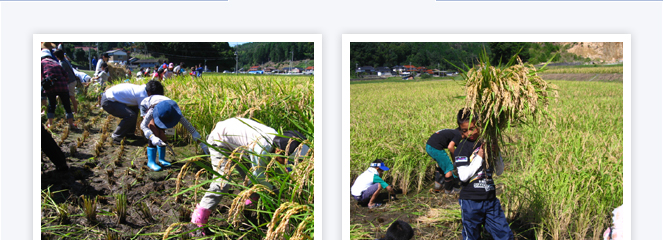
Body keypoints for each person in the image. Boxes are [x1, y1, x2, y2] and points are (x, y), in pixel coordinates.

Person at [190, 118, 310, 235]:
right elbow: (259, 178)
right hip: (220, 140)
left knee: (250, 181)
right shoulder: (261, 148)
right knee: (222, 183)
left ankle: (248, 211)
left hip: (238, 144)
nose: (285, 164)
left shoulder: (278, 140)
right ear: (279, 151)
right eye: (286, 161)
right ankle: (198, 221)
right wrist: (277, 192)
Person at [454, 111, 512, 240]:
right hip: (471, 201)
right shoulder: (462, 148)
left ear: (480, 125)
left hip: (490, 199)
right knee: (472, 237)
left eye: (473, 128)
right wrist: (479, 156)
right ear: (461, 130)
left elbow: (499, 171)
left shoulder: (487, 143)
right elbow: (463, 176)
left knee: (504, 235)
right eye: (465, 130)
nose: (470, 133)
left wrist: (496, 154)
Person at [138, 84, 209, 171]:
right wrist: (152, 137)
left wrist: (203, 144)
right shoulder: (152, 110)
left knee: (162, 135)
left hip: (162, 105)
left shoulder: (174, 111)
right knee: (154, 130)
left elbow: (191, 129)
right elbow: (143, 126)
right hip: (146, 105)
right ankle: (151, 162)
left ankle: (162, 159)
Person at [41, 50, 75, 129]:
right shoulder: (56, 62)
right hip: (63, 86)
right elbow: (66, 75)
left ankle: (50, 124)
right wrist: (63, 82)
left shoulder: (41, 63)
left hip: (51, 86)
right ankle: (71, 124)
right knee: (67, 105)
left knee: (51, 105)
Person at [426, 122, 462, 194]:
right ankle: (449, 190)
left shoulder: (453, 132)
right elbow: (450, 147)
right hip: (435, 148)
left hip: (429, 146)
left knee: (444, 166)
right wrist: (455, 161)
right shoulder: (458, 134)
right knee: (449, 168)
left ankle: (438, 186)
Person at [54, 49, 80, 114]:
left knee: (72, 96)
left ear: (58, 56)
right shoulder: (65, 60)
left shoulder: (62, 63)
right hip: (72, 80)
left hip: (70, 81)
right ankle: (70, 110)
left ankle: (75, 111)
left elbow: (62, 73)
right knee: (70, 96)